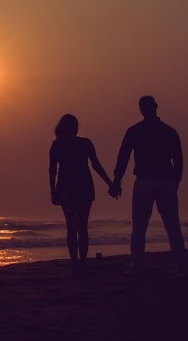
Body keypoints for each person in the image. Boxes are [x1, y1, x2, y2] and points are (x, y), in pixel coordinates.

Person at [110, 95, 186, 274]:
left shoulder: (135, 131)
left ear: (141, 109)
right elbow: (179, 160)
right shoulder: (169, 131)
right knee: (172, 224)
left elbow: (123, 157)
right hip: (166, 180)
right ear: (156, 107)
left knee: (139, 225)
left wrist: (117, 179)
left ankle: (136, 264)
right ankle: (180, 264)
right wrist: (176, 181)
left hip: (144, 181)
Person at [49, 114, 115, 271]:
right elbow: (96, 166)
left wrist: (52, 191)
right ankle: (83, 260)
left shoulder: (57, 145)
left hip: (66, 187)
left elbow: (52, 171)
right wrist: (110, 183)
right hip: (83, 186)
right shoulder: (85, 143)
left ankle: (74, 261)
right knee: (82, 226)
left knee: (71, 226)